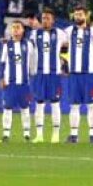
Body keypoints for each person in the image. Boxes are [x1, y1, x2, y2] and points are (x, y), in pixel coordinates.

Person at [64, 5, 93, 144]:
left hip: (89, 74)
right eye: (76, 14)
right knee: (74, 105)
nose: (78, 16)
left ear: (86, 16)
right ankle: (74, 135)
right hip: (74, 74)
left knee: (91, 105)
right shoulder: (69, 31)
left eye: (80, 14)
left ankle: (92, 135)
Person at [29, 8, 65, 143]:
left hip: (54, 74)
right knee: (39, 104)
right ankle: (39, 134)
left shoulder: (60, 33)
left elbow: (68, 46)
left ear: (53, 20)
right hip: (39, 74)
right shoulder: (34, 34)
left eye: (48, 18)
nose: (45, 20)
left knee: (55, 103)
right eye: (43, 18)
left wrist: (63, 61)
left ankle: (55, 134)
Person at [0, 20, 34, 142]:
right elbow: (2, 63)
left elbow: (33, 61)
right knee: (7, 108)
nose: (15, 30)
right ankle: (6, 134)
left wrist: (32, 74)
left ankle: (27, 133)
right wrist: (1, 78)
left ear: (23, 30)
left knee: (25, 108)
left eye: (18, 28)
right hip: (10, 83)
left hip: (24, 84)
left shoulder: (28, 45)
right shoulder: (7, 45)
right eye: (13, 28)